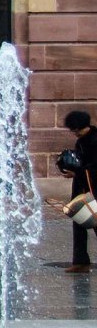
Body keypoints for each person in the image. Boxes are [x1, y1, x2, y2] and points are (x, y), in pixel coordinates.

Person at [62, 111, 97, 273]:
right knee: (78, 222)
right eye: (73, 131)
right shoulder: (81, 141)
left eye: (78, 130)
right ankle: (81, 261)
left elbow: (94, 167)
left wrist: (78, 172)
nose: (76, 134)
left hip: (93, 187)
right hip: (81, 187)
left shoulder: (95, 140)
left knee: (95, 221)